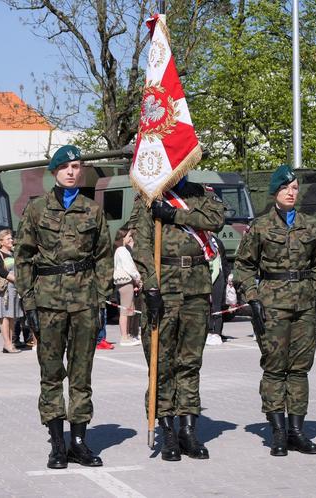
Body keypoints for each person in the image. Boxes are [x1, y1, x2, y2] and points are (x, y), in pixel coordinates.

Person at [15, 145, 113, 469]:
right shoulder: (36, 210)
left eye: (76, 166)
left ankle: (80, 441)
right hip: (48, 302)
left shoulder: (92, 210)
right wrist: (28, 301)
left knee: (82, 374)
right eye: (65, 167)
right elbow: (24, 257)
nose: (72, 171)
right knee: (52, 373)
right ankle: (58, 444)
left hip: (85, 301)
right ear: (54, 172)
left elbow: (103, 257)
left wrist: (101, 298)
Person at [235, 164, 316, 457]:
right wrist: (252, 297)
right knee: (275, 368)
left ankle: (297, 432)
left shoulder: (309, 225)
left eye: (295, 187)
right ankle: (277, 432)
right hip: (272, 305)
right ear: (275, 191)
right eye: (286, 187)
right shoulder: (259, 226)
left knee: (300, 369)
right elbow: (244, 266)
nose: (291, 192)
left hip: (304, 304)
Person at [132, 176, 224, 462]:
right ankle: (167, 430)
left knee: (190, 362)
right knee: (162, 362)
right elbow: (142, 245)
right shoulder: (149, 197)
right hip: (164, 283)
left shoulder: (202, 193)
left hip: (196, 285)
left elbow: (216, 219)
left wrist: (174, 215)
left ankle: (188, 430)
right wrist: (150, 284)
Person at [0, 229, 24, 353]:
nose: (11, 240)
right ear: (1, 241)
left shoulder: (13, 253)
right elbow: (0, 271)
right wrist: (15, 279)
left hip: (14, 288)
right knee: (4, 317)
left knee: (12, 317)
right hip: (4, 289)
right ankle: (7, 343)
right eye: (8, 239)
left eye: (11, 238)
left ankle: (10, 343)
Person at [113, 229, 142, 346]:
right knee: (125, 311)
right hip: (126, 282)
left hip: (125, 282)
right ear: (122, 237)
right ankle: (124, 337)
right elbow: (129, 267)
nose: (131, 238)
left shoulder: (121, 250)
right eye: (129, 235)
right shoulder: (122, 250)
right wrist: (138, 279)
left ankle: (128, 335)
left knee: (128, 309)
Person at [207, 235, 230, 346]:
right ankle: (208, 331)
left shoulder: (217, 242)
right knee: (205, 307)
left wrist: (228, 277)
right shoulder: (198, 240)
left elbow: (224, 262)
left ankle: (217, 333)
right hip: (204, 276)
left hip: (218, 276)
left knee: (217, 307)